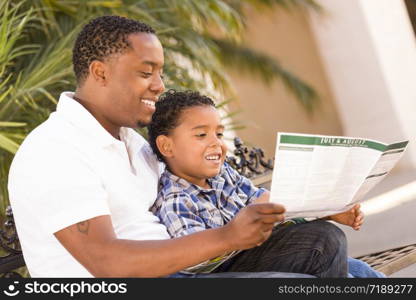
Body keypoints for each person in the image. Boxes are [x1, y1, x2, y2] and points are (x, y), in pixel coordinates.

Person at [8, 15, 346, 278]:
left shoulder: (131, 143)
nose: (159, 85)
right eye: (146, 72)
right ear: (100, 73)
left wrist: (316, 205)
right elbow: (105, 262)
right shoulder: (54, 151)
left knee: (321, 242)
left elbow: (210, 189)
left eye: (161, 72)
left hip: (188, 269)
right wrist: (227, 237)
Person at [148, 89, 385, 278]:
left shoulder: (222, 175)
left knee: (356, 269)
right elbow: (197, 262)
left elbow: (262, 201)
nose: (216, 144)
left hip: (256, 253)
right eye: (201, 135)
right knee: (323, 241)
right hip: (228, 271)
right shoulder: (176, 199)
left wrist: (327, 210)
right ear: (167, 146)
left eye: (219, 134)